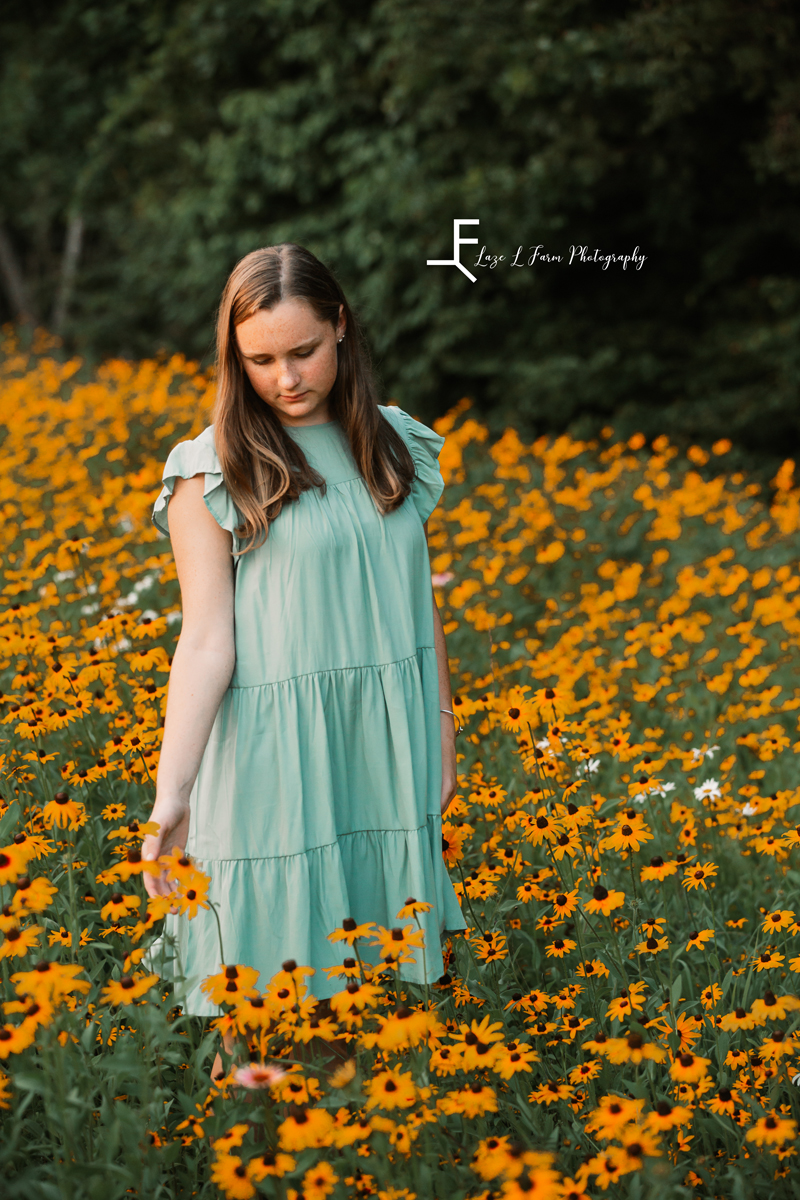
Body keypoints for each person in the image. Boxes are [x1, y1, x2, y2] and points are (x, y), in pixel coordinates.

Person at [142, 243, 466, 1067]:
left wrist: (441, 725)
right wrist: (170, 794)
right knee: (266, 1019)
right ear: (233, 358)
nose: (286, 378)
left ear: (341, 329)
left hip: (381, 745)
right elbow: (206, 641)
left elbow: (417, 601)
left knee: (366, 1022)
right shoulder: (210, 470)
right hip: (273, 758)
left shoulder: (393, 444)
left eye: (303, 351)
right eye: (260, 360)